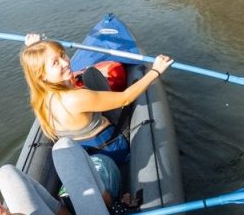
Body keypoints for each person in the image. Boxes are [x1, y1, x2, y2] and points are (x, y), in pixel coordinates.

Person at [20, 33, 174, 164]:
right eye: (55, 62)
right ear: (42, 75)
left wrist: (34, 47)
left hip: (85, 149)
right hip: (112, 148)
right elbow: (125, 98)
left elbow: (43, 70)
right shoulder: (74, 99)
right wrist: (155, 71)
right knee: (93, 77)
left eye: (62, 54)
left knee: (89, 75)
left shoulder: (40, 97)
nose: (65, 62)